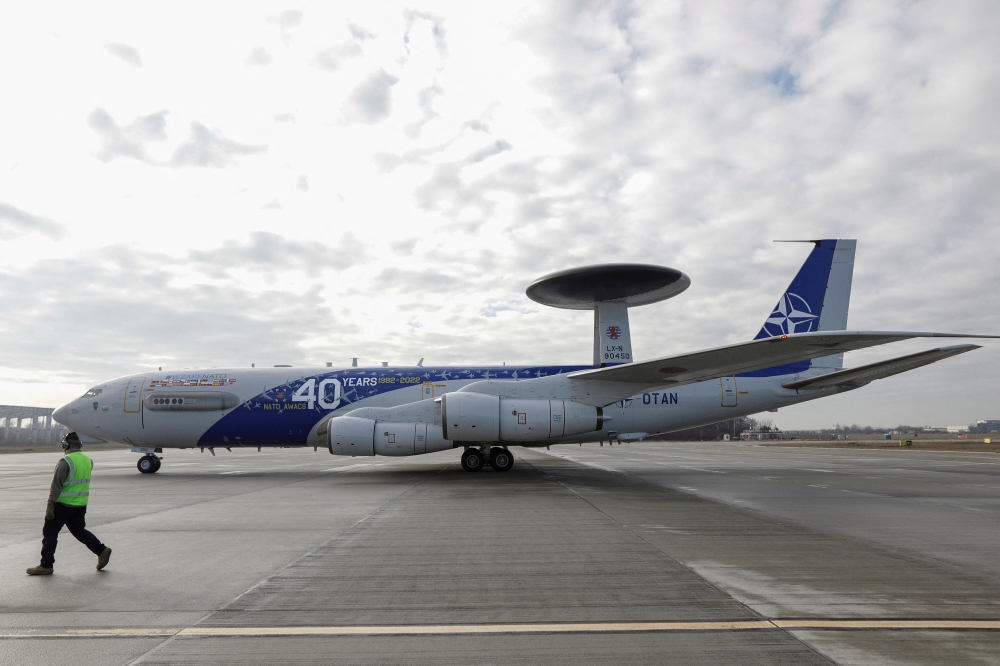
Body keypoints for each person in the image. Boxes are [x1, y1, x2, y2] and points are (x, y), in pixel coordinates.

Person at [26, 432, 112, 575]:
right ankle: (101, 550)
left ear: (65, 445)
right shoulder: (88, 460)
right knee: (79, 531)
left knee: (50, 533)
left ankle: (46, 565)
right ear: (80, 445)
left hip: (62, 505)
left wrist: (50, 504)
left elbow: (56, 485)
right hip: (80, 505)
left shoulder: (65, 461)